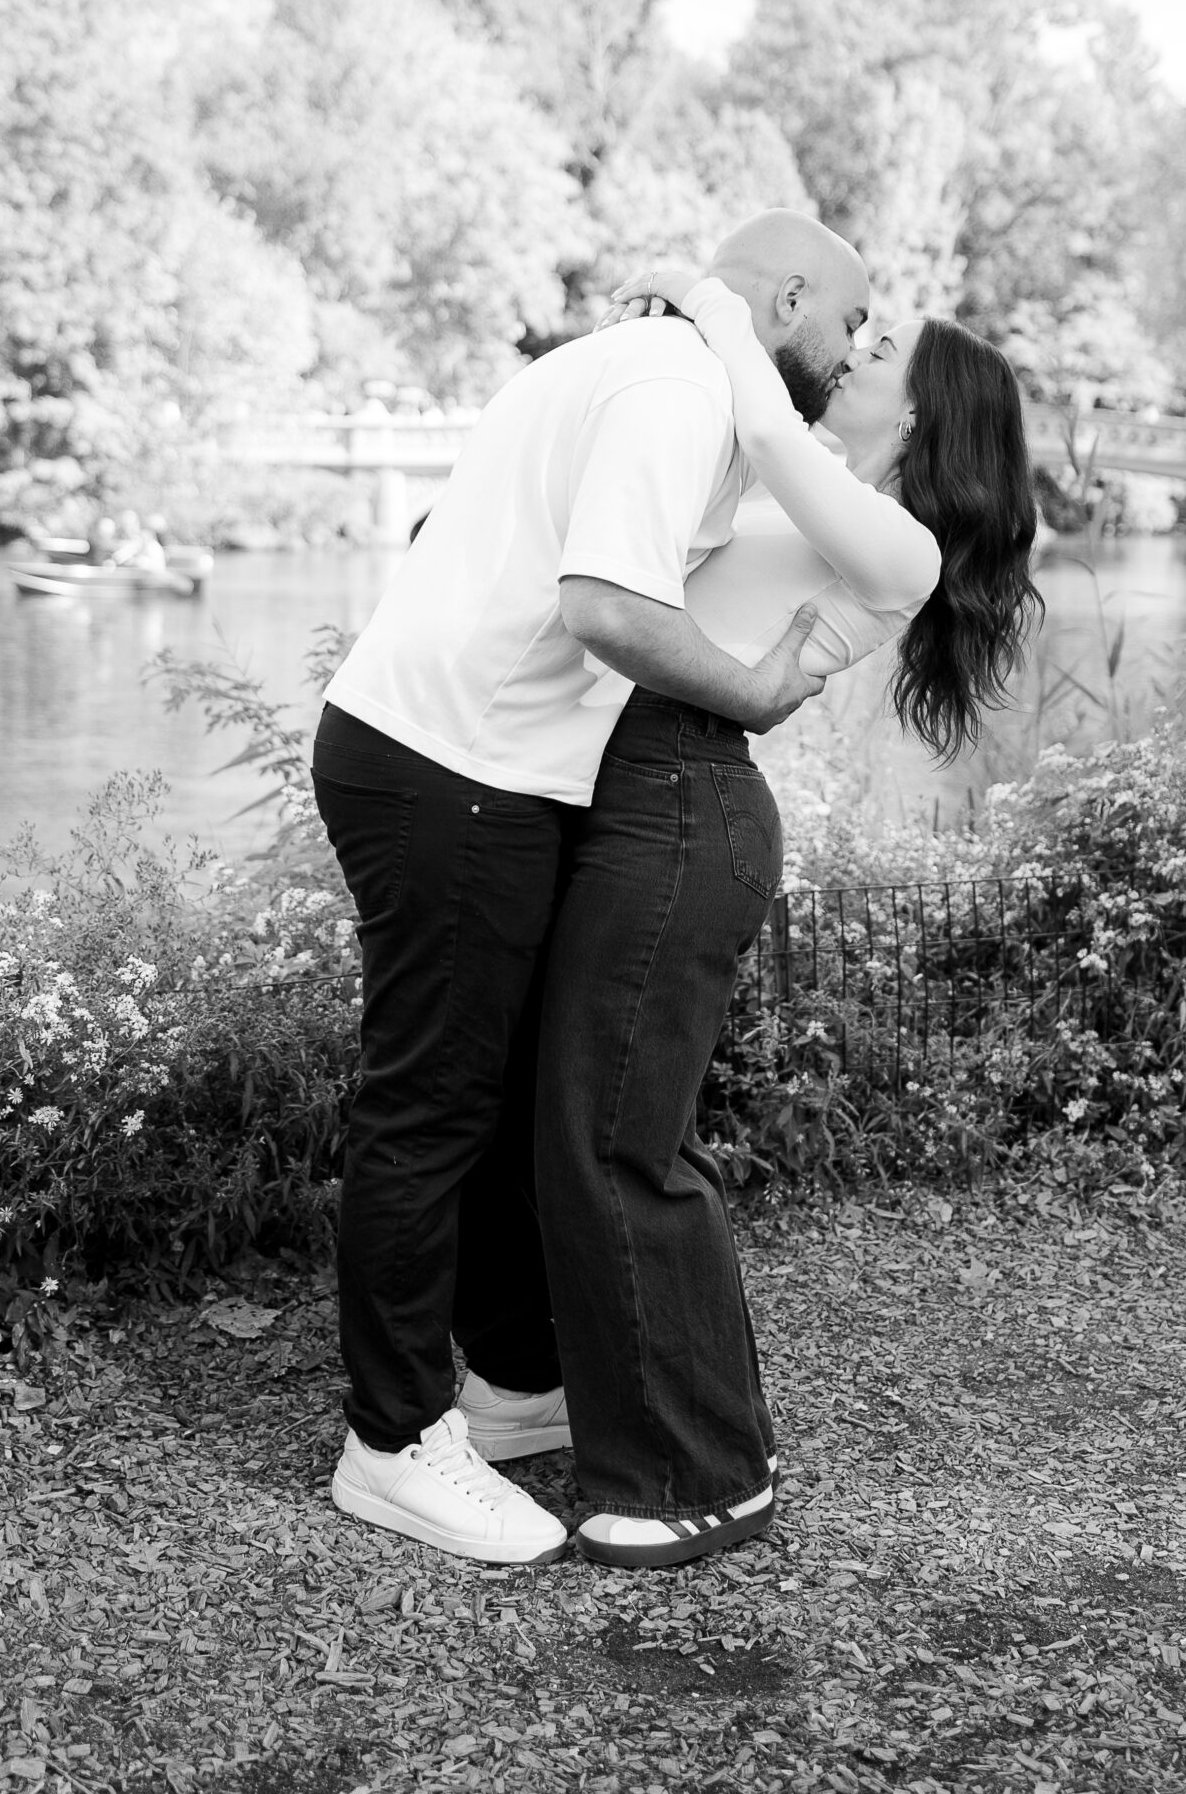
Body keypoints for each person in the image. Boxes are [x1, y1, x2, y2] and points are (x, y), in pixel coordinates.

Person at [310, 212, 870, 1567]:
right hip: (452, 765)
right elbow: (607, 604)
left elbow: (462, 529)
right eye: (849, 322)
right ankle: (393, 1444)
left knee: (488, 1098)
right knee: (433, 1103)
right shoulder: (673, 392)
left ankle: (506, 1383)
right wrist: (757, 694)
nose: (855, 354)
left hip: (453, 751)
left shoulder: (635, 365)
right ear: (784, 295)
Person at [533, 269, 1041, 1567]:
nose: (854, 354)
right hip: (633, 783)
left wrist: (715, 296)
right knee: (587, 1129)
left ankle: (707, 1475)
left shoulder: (897, 541)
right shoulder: (807, 472)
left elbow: (760, 427)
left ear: (926, 422)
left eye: (882, 356)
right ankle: (589, 1404)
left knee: (623, 1144)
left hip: (690, 802)